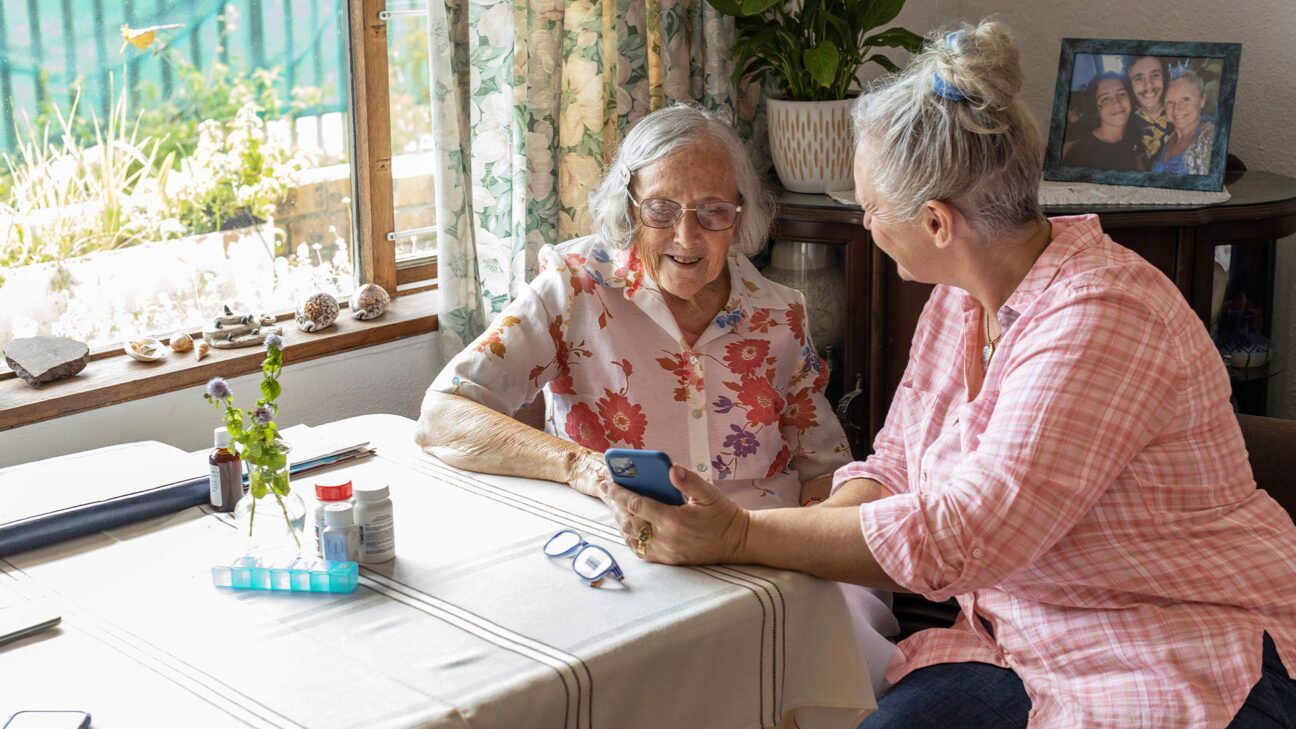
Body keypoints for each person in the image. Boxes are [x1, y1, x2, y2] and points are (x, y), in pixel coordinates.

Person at [608, 21, 1296, 729]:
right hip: (1024, 638)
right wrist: (776, 543)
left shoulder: (1103, 314)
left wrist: (743, 534)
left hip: (1182, 640)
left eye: (868, 207)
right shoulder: (960, 302)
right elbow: (899, 463)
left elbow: (966, 531)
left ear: (937, 223)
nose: (865, 221)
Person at [416, 103, 853, 535]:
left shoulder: (781, 314)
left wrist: (798, 558)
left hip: (762, 550)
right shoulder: (573, 288)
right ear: (629, 208)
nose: (686, 236)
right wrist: (580, 465)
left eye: (713, 211)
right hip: (619, 548)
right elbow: (444, 413)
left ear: (738, 217)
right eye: (661, 210)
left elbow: (825, 471)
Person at [1060, 72, 1143, 170]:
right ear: (1095, 107)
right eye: (1105, 99)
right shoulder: (1080, 155)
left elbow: (1137, 161)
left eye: (1121, 94)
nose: (1117, 103)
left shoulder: (1133, 129)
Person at [1153, 68, 1216, 175]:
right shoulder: (1169, 136)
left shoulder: (1211, 139)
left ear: (1202, 100)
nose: (1176, 109)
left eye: (1185, 99)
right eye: (1169, 102)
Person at [1124, 55, 1171, 162]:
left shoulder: (1180, 115)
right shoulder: (1124, 122)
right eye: (1139, 78)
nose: (1149, 85)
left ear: (1164, 78)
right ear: (1130, 85)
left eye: (1155, 75)